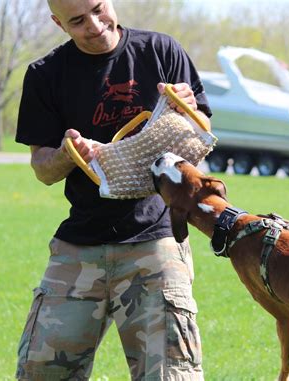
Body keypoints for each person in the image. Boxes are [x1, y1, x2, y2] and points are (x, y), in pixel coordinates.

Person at [14, 0, 211, 380]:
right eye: (78, 20)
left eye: (98, 8)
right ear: (59, 23)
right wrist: (70, 153)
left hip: (155, 241)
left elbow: (200, 139)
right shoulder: (45, 74)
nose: (95, 24)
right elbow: (42, 168)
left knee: (171, 375)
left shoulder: (160, 51)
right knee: (40, 373)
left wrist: (187, 111)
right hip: (80, 246)